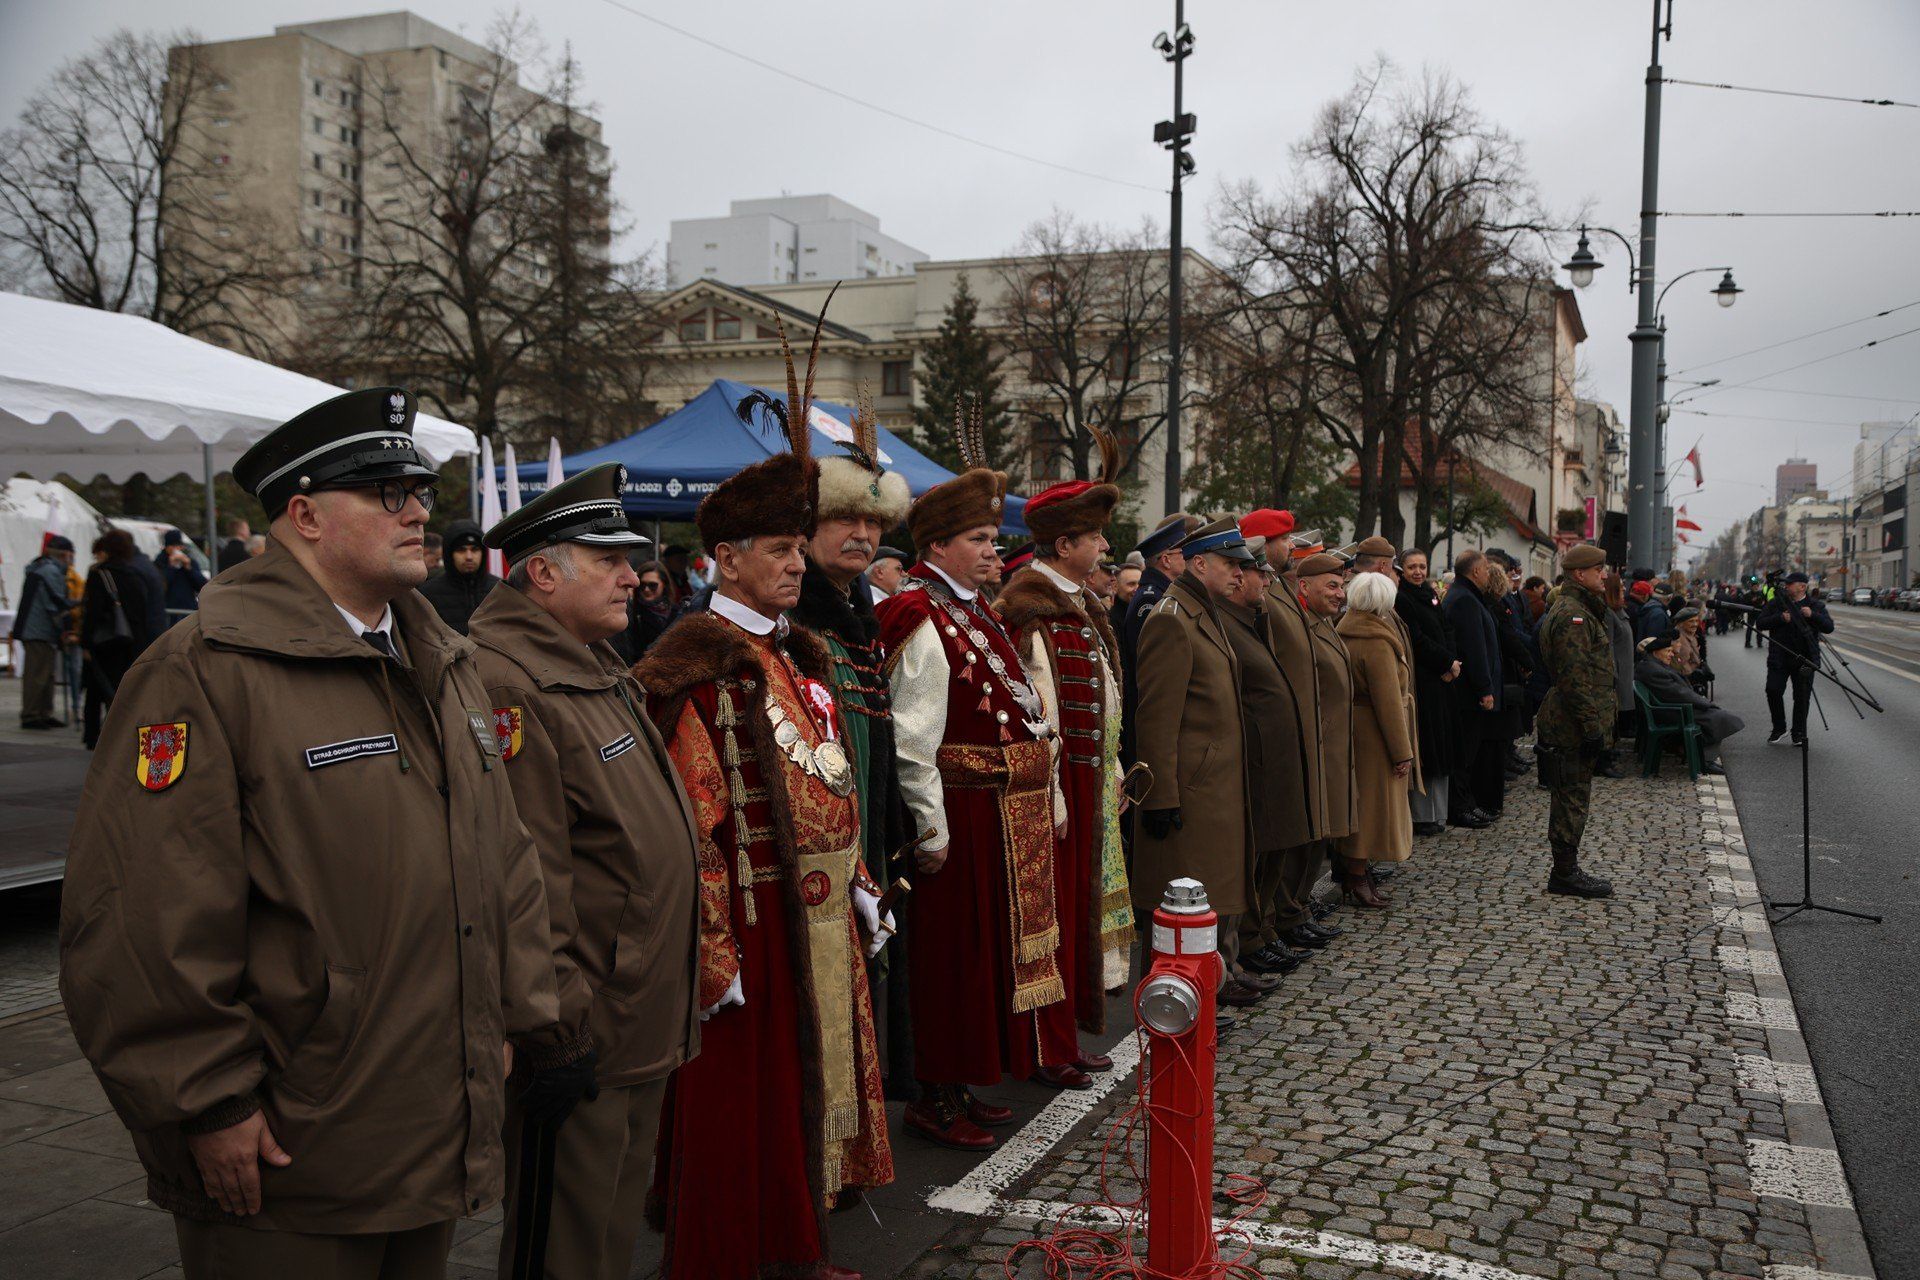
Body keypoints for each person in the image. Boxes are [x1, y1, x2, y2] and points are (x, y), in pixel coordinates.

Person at [59, 386, 557, 1278]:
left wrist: (510, 1015)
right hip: (294, 1145)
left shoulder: (443, 658)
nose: (419, 512)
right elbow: (141, 915)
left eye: (420, 491)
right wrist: (207, 1105)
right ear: (305, 515)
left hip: (430, 1117)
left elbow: (504, 858)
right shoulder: (203, 672)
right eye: (387, 493)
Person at [635, 358, 893, 1280]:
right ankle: (736, 1253)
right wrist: (712, 953)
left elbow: (826, 783)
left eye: (798, 549)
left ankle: (794, 1241)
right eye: (778, 552)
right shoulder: (698, 665)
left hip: (818, 917)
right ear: (725, 559)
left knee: (804, 1095)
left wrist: (858, 879)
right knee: (747, 1102)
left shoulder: (793, 653)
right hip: (749, 928)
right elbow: (688, 827)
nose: (795, 565)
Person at [468, 463, 700, 1280]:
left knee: (605, 1235)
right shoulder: (509, 679)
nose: (634, 577)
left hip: (633, 1014)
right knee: (561, 1245)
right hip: (585, 1025)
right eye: (610, 559)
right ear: (542, 573)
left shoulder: (589, 661)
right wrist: (556, 1028)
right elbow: (525, 873)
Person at [877, 427, 1083, 1150]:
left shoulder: (972, 608)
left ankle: (959, 1084)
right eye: (978, 538)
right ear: (936, 548)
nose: (995, 550)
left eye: (994, 537)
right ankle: (934, 1094)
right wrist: (930, 827)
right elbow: (913, 737)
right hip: (959, 814)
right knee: (950, 965)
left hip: (995, 812)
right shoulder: (920, 611)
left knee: (979, 961)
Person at [793, 401, 916, 1100]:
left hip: (868, 840)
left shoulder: (858, 611)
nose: (863, 534)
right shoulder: (798, 618)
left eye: (874, 524)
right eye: (847, 520)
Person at [997, 444, 1133, 1048]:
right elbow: (1038, 717)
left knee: (1083, 909)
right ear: (1062, 546)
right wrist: (1055, 792)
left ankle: (1069, 1026)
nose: (1104, 548)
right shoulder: (1032, 612)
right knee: (1056, 912)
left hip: (1094, 783)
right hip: (1057, 794)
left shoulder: (1082, 605)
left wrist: (1116, 766)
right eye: (1094, 538)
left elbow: (1103, 699)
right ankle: (1049, 1038)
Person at [1132, 519, 1262, 1008]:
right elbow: (1157, 718)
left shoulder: (1203, 610)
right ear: (1200, 564)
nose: (1239, 573)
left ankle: (1204, 995)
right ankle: (1172, 1006)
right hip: (1188, 790)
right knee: (1175, 913)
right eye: (1230, 564)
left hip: (1210, 787)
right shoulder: (1171, 617)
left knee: (1206, 905)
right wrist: (1160, 796)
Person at [1218, 527, 1314, 986]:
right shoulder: (1227, 620)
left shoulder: (1253, 617)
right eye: (1258, 574)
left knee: (1272, 850)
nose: (1262, 583)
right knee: (1251, 860)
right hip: (1249, 761)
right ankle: (1248, 946)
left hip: (1271, 757)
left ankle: (1262, 934)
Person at [1534, 543, 1617, 898]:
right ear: (1579, 575)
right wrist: (1592, 725)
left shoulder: (1579, 608)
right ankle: (1564, 873)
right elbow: (1574, 679)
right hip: (1571, 722)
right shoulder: (1572, 615)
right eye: (1599, 570)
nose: (1605, 575)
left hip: (1574, 719)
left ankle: (1566, 868)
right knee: (1570, 797)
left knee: (1573, 793)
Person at [1337, 571, 1419, 891]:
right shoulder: (1376, 641)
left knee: (1361, 806)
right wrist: (1402, 752)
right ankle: (1357, 875)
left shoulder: (1345, 630)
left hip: (1357, 727)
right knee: (1371, 809)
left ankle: (1356, 872)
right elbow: (1387, 701)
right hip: (1375, 732)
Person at [1296, 552, 1368, 905]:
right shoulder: (1302, 625)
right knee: (1310, 835)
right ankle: (1293, 907)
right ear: (1304, 586)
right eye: (1332, 586)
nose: (1341, 594)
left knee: (1322, 833)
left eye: (1342, 586)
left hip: (1334, 744)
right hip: (1318, 743)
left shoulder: (1324, 622)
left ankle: (1300, 904)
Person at [1118, 512, 1199, 768]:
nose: (1189, 557)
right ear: (1166, 559)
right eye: (1182, 552)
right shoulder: (1149, 601)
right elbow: (1152, 675)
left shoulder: (1164, 594)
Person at [1394, 549, 1459, 836]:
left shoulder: (1430, 594)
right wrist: (1445, 662)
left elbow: (1446, 630)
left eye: (1422, 566)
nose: (1418, 572)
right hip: (1424, 680)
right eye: (1412, 567)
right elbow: (1416, 639)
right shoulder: (1403, 599)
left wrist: (1453, 663)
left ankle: (1439, 812)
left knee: (1442, 744)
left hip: (1443, 678)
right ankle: (1423, 815)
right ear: (1402, 570)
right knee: (1427, 747)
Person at [1440, 550, 1502, 828]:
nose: (1489, 573)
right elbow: (1474, 649)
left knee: (1469, 753)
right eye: (1486, 569)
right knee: (1463, 755)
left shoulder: (1467, 596)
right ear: (1475, 572)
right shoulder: (1464, 600)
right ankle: (1460, 807)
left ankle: (1467, 803)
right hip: (1467, 693)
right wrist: (1484, 689)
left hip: (1468, 691)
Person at [78, 531, 156, 749]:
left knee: (96, 690)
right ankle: (122, 733)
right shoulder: (135, 575)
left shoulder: (99, 575)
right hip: (131, 642)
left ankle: (93, 735)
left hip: (105, 643)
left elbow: (92, 613)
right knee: (124, 690)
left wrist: (85, 642)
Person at [1634, 633, 1743, 773]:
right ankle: (1705, 761)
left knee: (1717, 715)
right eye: (1667, 651)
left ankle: (1701, 756)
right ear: (1655, 652)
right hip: (1672, 712)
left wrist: (1703, 702)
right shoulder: (1653, 669)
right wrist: (1705, 703)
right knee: (1718, 717)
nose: (1671, 654)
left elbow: (1678, 692)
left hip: (1673, 708)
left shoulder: (1652, 665)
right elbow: (1678, 693)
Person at [1757, 571, 1833, 746]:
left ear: (1802, 586)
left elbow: (1829, 627)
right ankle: (1779, 728)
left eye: (1790, 584)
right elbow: (1760, 623)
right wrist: (1780, 618)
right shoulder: (1777, 603)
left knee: (1801, 696)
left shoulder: (1815, 605)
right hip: (1779, 657)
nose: (1786, 586)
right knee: (1773, 690)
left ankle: (1798, 732)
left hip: (1805, 658)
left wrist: (1812, 615)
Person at [12, 534, 74, 729]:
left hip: (38, 629)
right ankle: (31, 714)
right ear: (64, 554)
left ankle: (43, 712)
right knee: (37, 675)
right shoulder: (51, 572)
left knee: (46, 675)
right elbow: (56, 603)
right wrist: (66, 625)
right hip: (39, 629)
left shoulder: (42, 568)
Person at [418, 518, 498, 635]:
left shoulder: (500, 591)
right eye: (462, 550)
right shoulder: (426, 595)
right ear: (450, 554)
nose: (469, 556)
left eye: (474, 549)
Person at [609, 559, 677, 663]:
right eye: (642, 585)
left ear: (664, 585)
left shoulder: (676, 612)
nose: (646, 589)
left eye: (653, 585)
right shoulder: (630, 612)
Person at [154, 530, 209, 621]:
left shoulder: (189, 562)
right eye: (174, 546)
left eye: (179, 546)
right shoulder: (160, 563)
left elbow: (202, 585)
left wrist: (189, 568)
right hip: (169, 613)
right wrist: (172, 567)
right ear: (167, 547)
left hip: (188, 612)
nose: (177, 549)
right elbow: (160, 586)